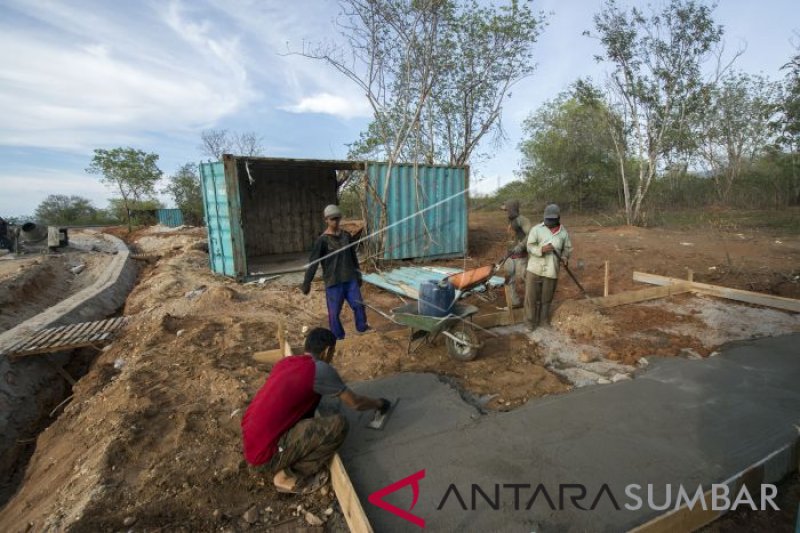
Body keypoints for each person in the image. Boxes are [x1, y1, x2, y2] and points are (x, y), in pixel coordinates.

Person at [241, 327, 390, 494]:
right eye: (333, 352)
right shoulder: (320, 370)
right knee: (338, 425)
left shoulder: (286, 363)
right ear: (327, 351)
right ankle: (286, 476)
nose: (332, 357)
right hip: (266, 456)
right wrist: (379, 404)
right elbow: (355, 403)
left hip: (252, 441)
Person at [302, 204, 370, 340]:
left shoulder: (346, 236)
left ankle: (362, 328)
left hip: (350, 279)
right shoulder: (322, 241)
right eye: (332, 219)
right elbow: (313, 263)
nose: (335, 221)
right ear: (326, 220)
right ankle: (338, 337)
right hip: (333, 282)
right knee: (334, 313)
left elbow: (353, 257)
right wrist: (307, 282)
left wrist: (358, 274)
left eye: (337, 218)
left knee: (358, 305)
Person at [524, 204, 573, 330]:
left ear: (558, 218)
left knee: (546, 299)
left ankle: (543, 321)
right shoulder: (536, 229)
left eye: (551, 219)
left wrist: (565, 257)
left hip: (551, 270)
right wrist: (541, 249)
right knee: (531, 298)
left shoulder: (563, 233)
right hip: (534, 269)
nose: (548, 222)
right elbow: (529, 246)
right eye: (546, 219)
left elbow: (567, 249)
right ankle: (530, 323)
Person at [500, 200, 532, 308]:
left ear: (512, 209)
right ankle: (514, 302)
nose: (506, 212)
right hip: (510, 255)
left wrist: (521, 246)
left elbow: (530, 234)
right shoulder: (510, 221)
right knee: (509, 279)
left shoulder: (523, 220)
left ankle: (531, 303)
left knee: (523, 278)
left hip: (521, 255)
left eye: (507, 209)